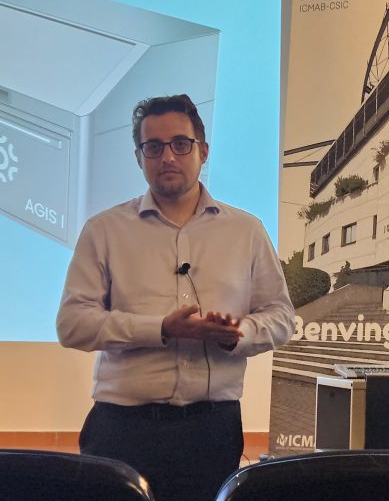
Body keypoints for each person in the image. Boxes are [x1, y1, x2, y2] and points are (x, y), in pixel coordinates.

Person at [56, 94, 295, 501]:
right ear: (139, 157)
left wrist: (237, 334)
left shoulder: (246, 231)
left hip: (211, 429)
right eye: (153, 147)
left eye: (181, 144)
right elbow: (72, 324)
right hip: (121, 428)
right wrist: (161, 329)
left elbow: (281, 317)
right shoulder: (104, 230)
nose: (167, 156)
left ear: (203, 151)